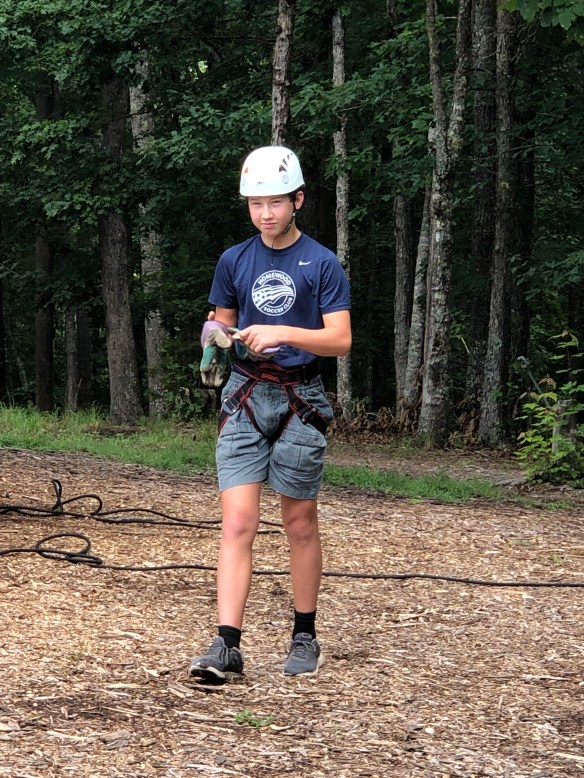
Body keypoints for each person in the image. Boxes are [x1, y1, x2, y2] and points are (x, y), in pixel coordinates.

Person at [189, 145, 351, 681]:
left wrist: (283, 333)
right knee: (238, 521)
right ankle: (226, 644)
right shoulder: (234, 260)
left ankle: (305, 634)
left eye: (276, 202)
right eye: (256, 204)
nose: (265, 213)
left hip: (300, 399)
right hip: (244, 393)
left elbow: (340, 340)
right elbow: (221, 324)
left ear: (298, 200)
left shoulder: (322, 263)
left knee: (298, 521)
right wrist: (217, 339)